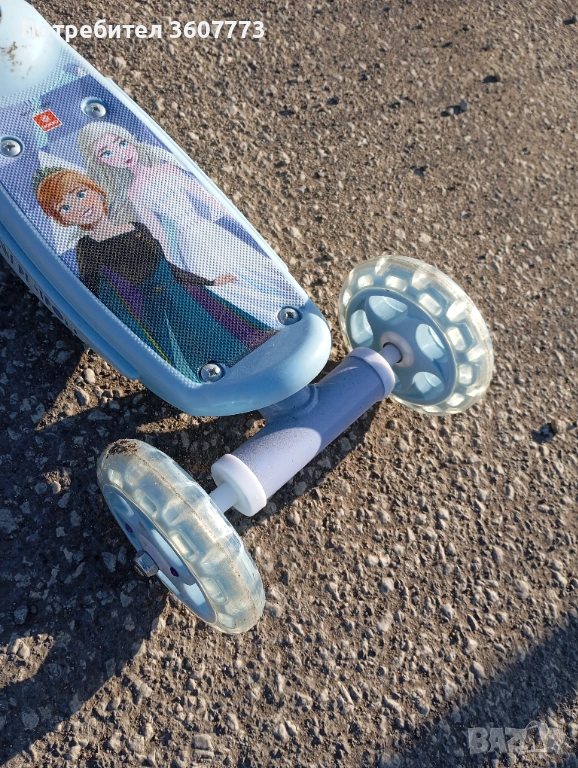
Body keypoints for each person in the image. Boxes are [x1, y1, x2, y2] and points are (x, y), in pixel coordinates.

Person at [34, 168, 275, 380]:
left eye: (81, 193)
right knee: (193, 351)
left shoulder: (137, 227)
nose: (79, 206)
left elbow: (167, 266)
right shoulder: (88, 247)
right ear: (62, 219)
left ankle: (260, 368)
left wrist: (209, 281)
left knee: (231, 332)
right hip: (157, 310)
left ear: (97, 191)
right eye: (65, 207)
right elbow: (90, 290)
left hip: (189, 295)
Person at [76, 122, 303, 326]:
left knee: (247, 264)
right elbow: (157, 231)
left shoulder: (166, 168)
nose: (120, 154)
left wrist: (236, 219)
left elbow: (205, 196)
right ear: (101, 162)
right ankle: (263, 320)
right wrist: (169, 262)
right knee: (224, 282)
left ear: (129, 139)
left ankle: (285, 301)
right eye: (107, 153)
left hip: (207, 229)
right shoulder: (133, 193)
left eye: (121, 143)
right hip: (189, 244)